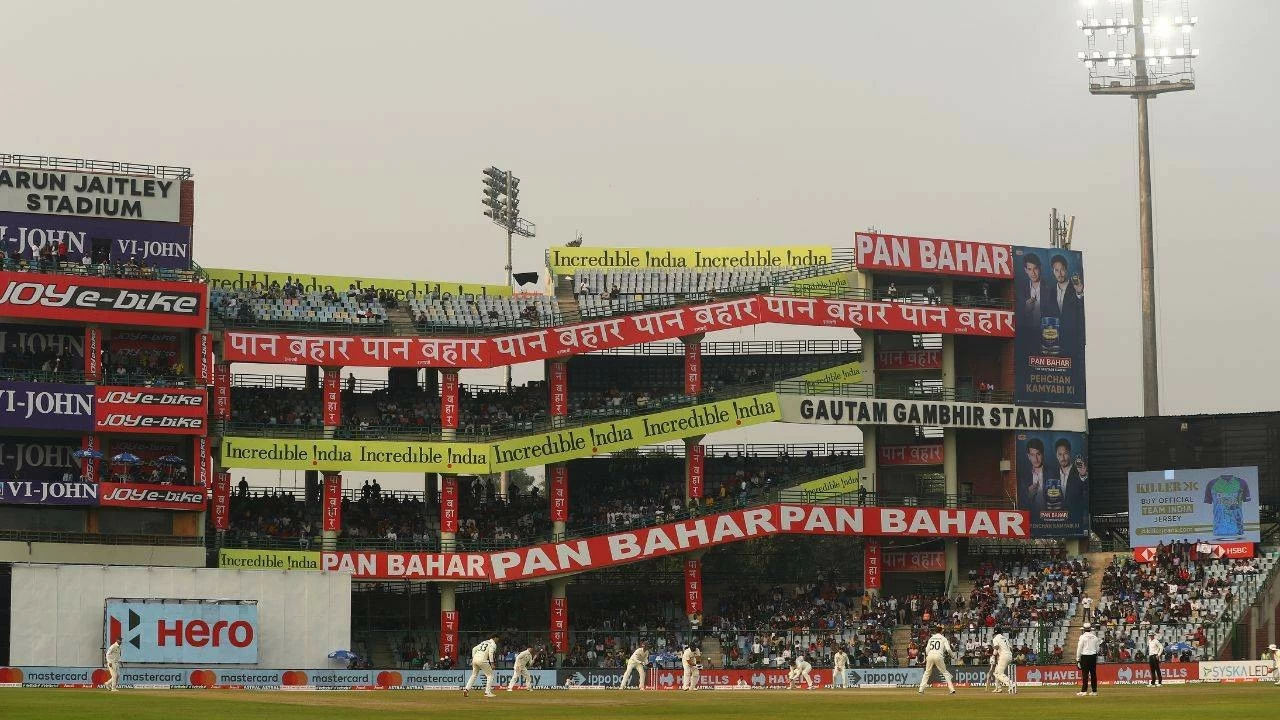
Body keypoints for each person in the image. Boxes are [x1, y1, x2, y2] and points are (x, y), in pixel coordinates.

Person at [917, 626, 956, 695]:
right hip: (938, 655)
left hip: (930, 655)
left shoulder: (931, 638)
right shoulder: (943, 638)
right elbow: (948, 649)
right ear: (941, 631)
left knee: (927, 672)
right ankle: (952, 689)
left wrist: (929, 655)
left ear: (935, 631)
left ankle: (921, 690)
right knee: (945, 673)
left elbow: (926, 650)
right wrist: (952, 656)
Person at [1018, 438, 1047, 512]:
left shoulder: (1053, 473)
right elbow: (1021, 505)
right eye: (1032, 455)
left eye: (1038, 454)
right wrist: (1029, 495)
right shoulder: (1023, 478)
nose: (1036, 459)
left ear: (1043, 454)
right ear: (1028, 456)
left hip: (1049, 517)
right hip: (1032, 517)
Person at [1075, 623, 1099, 696]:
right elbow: (1097, 648)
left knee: (1085, 674)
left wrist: (1078, 659)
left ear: (1084, 629)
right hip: (1093, 656)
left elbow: (1079, 648)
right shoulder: (1095, 637)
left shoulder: (1082, 637)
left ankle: (1084, 691)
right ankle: (1094, 691)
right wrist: (1095, 654)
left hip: (1085, 656)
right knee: (1093, 674)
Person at [990, 628, 1014, 694]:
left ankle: (1011, 684)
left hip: (1004, 656)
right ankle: (998, 688)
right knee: (996, 672)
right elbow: (1011, 649)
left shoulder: (995, 638)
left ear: (995, 633)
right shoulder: (1005, 638)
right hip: (1009, 655)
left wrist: (993, 656)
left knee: (998, 673)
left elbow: (996, 647)